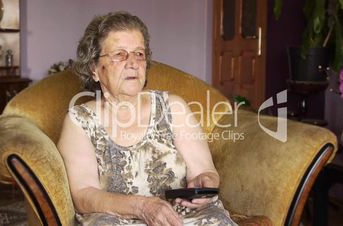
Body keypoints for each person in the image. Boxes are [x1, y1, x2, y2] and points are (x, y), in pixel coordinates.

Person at [57, 11, 238, 226]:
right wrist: (142, 207)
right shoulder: (81, 121)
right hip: (118, 220)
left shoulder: (173, 107)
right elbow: (83, 195)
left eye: (139, 54)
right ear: (94, 69)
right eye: (120, 54)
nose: (133, 63)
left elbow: (205, 171)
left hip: (183, 218)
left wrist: (205, 183)